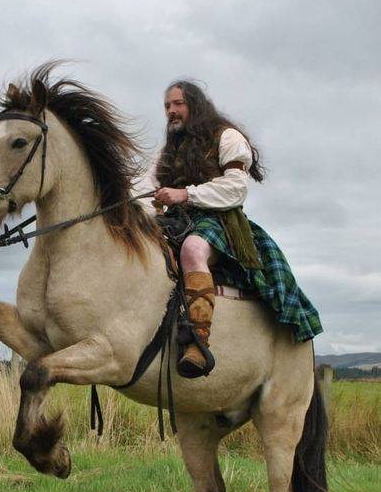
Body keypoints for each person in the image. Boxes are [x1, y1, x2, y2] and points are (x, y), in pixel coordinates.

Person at [133, 80, 322, 378]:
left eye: (178, 104)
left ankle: (197, 343)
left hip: (218, 219)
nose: (171, 111)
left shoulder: (226, 136)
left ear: (195, 104)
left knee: (192, 250)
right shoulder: (168, 150)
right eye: (167, 106)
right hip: (174, 220)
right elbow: (143, 188)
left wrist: (185, 194)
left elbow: (235, 189)